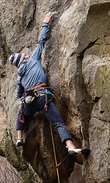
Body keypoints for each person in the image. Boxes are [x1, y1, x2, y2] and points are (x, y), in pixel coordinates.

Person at [9, 12, 89, 157]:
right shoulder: (33, 60)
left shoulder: (19, 77)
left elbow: (19, 95)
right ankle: (70, 146)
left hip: (29, 102)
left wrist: (25, 97)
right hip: (42, 98)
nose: (27, 54)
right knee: (58, 123)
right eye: (25, 54)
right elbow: (41, 41)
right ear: (24, 58)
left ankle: (19, 137)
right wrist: (46, 23)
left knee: (21, 112)